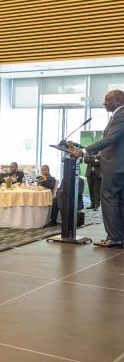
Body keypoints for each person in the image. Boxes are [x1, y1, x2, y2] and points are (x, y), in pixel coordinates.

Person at [70, 90, 124, 247]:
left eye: (108, 100)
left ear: (119, 100)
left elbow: (110, 139)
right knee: (119, 201)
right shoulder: (118, 115)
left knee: (108, 199)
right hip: (118, 165)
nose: (104, 103)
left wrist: (83, 151)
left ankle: (114, 237)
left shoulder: (121, 115)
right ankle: (119, 236)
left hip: (115, 166)